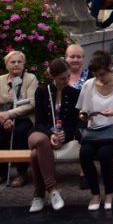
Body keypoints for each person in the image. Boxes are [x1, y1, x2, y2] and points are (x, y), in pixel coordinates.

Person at [77, 51, 113, 211]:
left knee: (104, 154)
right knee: (85, 153)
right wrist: (84, 116)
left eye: (102, 74)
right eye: (96, 75)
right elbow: (83, 111)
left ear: (110, 68)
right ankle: (95, 194)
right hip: (96, 132)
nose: (100, 78)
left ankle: (109, 193)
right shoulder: (89, 85)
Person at [27, 58, 78, 213]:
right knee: (41, 141)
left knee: (35, 155)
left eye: (68, 76)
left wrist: (65, 135)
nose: (67, 81)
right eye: (62, 78)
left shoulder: (74, 93)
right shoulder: (42, 91)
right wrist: (50, 134)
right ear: (53, 77)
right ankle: (53, 189)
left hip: (59, 136)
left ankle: (38, 196)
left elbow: (74, 123)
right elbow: (39, 121)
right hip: (40, 133)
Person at [0, 50, 37, 185]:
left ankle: (22, 172)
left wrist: (10, 114)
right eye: (12, 62)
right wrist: (2, 118)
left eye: (19, 62)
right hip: (2, 119)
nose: (16, 64)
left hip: (23, 118)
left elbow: (32, 103)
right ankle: (0, 173)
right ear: (6, 65)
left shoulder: (30, 79)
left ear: (24, 64)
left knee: (20, 133)